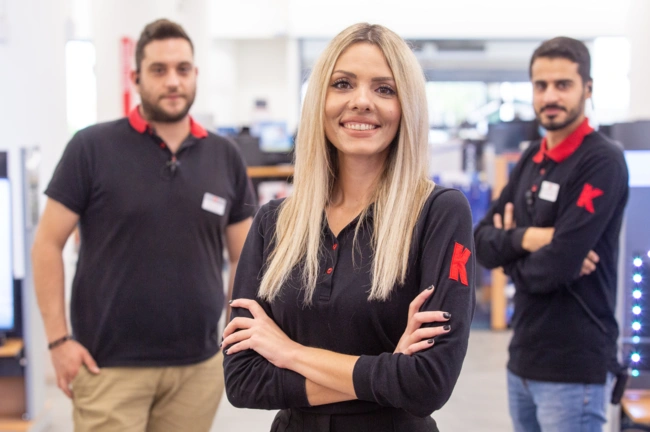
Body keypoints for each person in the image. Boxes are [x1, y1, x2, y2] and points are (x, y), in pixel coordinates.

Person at [222, 23, 476, 432]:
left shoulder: (438, 213)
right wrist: (387, 371)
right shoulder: (274, 222)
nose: (361, 101)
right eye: (342, 84)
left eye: (384, 89)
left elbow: (428, 383)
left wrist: (288, 353)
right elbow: (243, 382)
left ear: (406, 106)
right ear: (319, 99)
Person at [31, 19, 256, 432]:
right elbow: (46, 243)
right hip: (108, 368)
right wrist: (58, 341)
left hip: (197, 368)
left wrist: (234, 337)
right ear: (136, 78)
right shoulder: (90, 148)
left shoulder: (225, 156)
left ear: (195, 74)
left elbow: (243, 255)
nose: (172, 81)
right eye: (158, 69)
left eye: (182, 69)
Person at [474, 36, 629, 432]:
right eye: (541, 85)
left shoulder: (602, 161)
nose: (550, 96)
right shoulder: (532, 157)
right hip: (523, 359)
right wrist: (531, 240)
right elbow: (481, 242)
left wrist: (512, 258)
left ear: (587, 89)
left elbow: (555, 267)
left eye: (563, 84)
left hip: (575, 368)